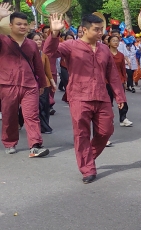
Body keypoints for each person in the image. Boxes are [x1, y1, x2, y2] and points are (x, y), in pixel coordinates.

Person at [44, 13, 127, 181]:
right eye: (96, 29)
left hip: (102, 96)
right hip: (79, 96)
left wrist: (120, 96)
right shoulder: (70, 45)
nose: (100, 33)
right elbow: (49, 51)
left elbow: (112, 74)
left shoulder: (104, 49)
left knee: (106, 131)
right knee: (81, 134)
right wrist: (54, 34)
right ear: (84, 30)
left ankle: (86, 157)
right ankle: (87, 168)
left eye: (101, 29)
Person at [0, 6, 50, 157]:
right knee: (9, 116)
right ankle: (9, 142)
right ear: (10, 26)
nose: (22, 26)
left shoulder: (32, 44)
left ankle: (35, 145)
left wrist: (42, 84)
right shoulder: (3, 41)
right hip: (8, 84)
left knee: (32, 115)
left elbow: (38, 66)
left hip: (29, 85)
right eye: (18, 24)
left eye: (25, 24)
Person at [30, 32, 54, 135]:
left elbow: (47, 70)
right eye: (36, 40)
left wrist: (52, 82)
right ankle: (44, 127)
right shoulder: (27, 54)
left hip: (44, 83)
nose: (39, 41)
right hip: (31, 83)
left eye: (40, 39)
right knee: (36, 106)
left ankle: (44, 125)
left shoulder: (43, 55)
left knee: (45, 106)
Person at [107, 34, 132, 129]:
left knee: (122, 99)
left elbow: (123, 69)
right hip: (107, 80)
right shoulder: (105, 54)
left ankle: (123, 118)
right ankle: (108, 119)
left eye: (117, 41)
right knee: (108, 101)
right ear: (108, 42)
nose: (115, 42)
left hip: (119, 80)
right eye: (113, 40)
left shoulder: (121, 55)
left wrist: (124, 80)